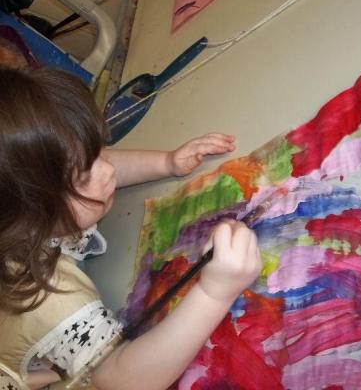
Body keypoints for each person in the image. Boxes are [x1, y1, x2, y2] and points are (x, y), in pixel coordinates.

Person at [0, 67, 262, 390]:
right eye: (85, 177)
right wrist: (215, 293)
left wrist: (167, 163)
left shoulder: (27, 194)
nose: (108, 170)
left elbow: (87, 163)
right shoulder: (47, 298)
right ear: (32, 215)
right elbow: (121, 379)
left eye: (97, 153)